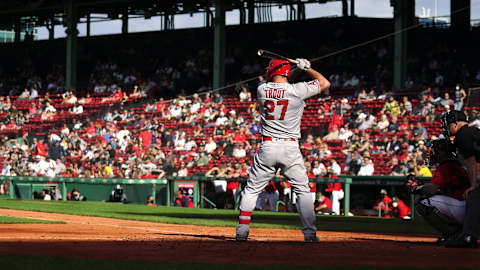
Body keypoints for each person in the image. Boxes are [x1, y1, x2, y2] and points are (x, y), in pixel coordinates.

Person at [235, 57, 330, 242]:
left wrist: (295, 70)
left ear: (272, 71)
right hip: (290, 146)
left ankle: (242, 230)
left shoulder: (262, 89)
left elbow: (281, 83)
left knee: (252, 190)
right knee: (302, 190)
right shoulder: (297, 90)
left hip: (268, 146)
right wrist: (307, 69)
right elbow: (324, 83)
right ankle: (310, 234)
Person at [406, 139, 469, 244]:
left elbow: (431, 189)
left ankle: (454, 233)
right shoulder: (456, 164)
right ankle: (457, 232)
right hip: (468, 207)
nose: (434, 153)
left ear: (444, 152)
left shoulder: (446, 165)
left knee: (422, 201)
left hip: (462, 207)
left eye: (437, 151)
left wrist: (415, 189)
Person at [440, 111, 480, 248]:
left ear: (456, 123)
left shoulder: (462, 134)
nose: (446, 127)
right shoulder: (474, 131)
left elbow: (471, 161)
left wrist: (473, 185)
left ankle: (468, 236)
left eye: (448, 124)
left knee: (474, 195)